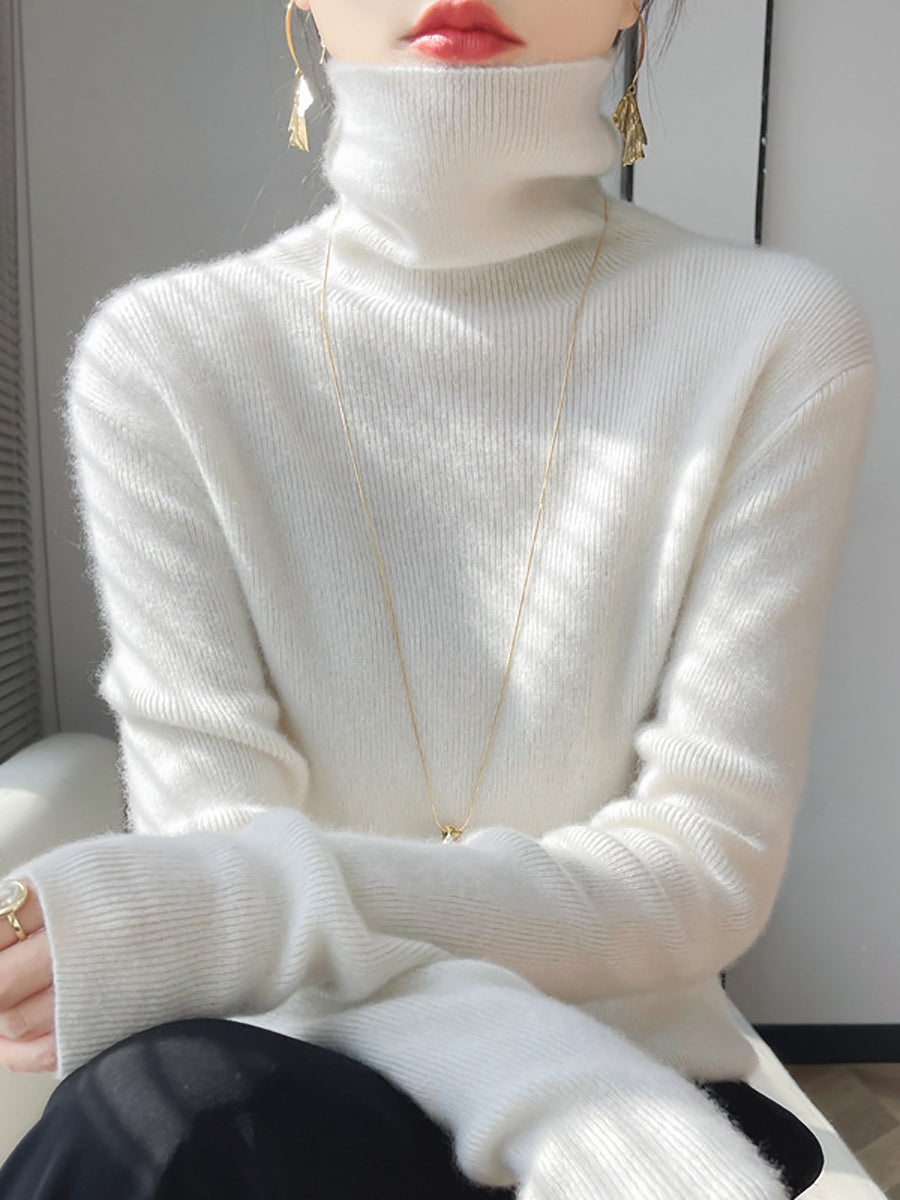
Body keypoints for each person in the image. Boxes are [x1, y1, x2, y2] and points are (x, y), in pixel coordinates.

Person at [0, 0, 876, 1195]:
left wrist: (239, 907)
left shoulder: (771, 336)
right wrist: (577, 1112)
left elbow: (702, 868)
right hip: (285, 1082)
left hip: (637, 1056)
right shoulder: (165, 356)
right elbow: (215, 833)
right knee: (168, 1116)